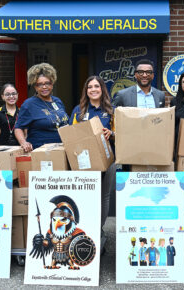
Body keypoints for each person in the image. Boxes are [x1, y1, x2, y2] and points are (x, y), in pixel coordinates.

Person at [69, 76, 115, 232]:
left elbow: (122, 134)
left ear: (102, 89)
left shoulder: (111, 110)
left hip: (108, 161)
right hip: (84, 162)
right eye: (90, 87)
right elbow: (71, 135)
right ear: (86, 91)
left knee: (104, 196)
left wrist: (112, 133)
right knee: (86, 196)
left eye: (97, 86)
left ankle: (99, 229)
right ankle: (86, 228)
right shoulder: (78, 111)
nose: (93, 89)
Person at [14, 63, 69, 152]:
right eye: (39, 84)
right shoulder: (29, 104)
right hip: (41, 152)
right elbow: (18, 128)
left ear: (52, 84)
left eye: (47, 83)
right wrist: (23, 143)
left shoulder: (57, 101)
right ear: (35, 87)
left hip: (61, 150)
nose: (44, 87)